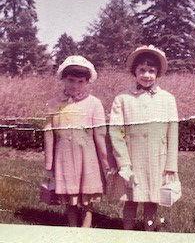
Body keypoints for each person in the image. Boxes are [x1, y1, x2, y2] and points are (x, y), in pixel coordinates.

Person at [109, 45, 179, 231]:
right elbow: (116, 132)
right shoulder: (123, 98)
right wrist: (123, 163)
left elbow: (173, 131)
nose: (146, 75)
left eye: (151, 71)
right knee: (131, 199)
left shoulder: (167, 99)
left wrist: (171, 165)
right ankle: (128, 233)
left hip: (158, 158)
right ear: (134, 72)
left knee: (152, 199)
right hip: (132, 157)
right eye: (142, 70)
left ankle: (149, 232)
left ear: (158, 73)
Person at [44, 55, 111, 227]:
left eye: (80, 81)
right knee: (70, 196)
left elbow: (100, 135)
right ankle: (73, 229)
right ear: (63, 79)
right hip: (64, 157)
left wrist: (106, 163)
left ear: (87, 82)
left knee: (87, 198)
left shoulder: (94, 103)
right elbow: (49, 134)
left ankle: (86, 230)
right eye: (71, 80)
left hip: (88, 157)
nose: (75, 85)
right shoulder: (53, 104)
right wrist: (49, 165)